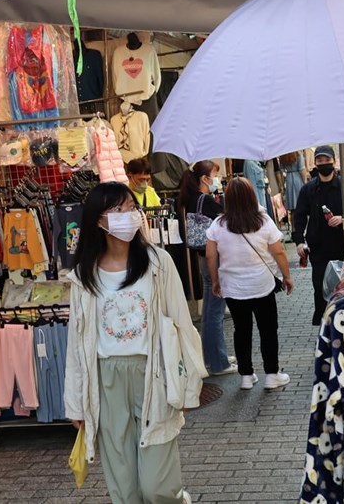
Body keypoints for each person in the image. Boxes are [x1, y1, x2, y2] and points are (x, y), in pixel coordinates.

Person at [65, 182, 205, 504]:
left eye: (131, 207)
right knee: (124, 490)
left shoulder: (158, 263)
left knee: (156, 487)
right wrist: (76, 404)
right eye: (118, 209)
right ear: (98, 220)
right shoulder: (85, 276)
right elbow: (77, 343)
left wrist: (188, 384)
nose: (129, 215)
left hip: (152, 373)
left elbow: (182, 325)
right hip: (107, 379)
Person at [205, 178, 294, 390]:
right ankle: (272, 374)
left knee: (241, 330)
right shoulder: (263, 221)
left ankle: (246, 375)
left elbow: (210, 256)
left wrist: (215, 280)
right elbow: (279, 251)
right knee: (268, 330)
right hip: (262, 284)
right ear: (252, 196)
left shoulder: (218, 225)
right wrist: (286, 276)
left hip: (233, 287)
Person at [293, 145, 344, 326]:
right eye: (320, 161)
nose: (324, 164)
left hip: (342, 246)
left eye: (327, 160)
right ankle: (325, 325)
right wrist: (299, 242)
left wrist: (343, 218)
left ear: (334, 162)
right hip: (318, 247)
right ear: (315, 163)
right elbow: (299, 216)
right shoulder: (308, 189)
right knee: (320, 287)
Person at [177, 160, 237, 376]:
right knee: (215, 312)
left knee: (211, 310)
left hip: (203, 257)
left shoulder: (191, 198)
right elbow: (227, 224)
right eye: (214, 175)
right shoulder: (207, 200)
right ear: (205, 178)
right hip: (214, 258)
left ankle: (213, 357)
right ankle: (218, 362)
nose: (216, 180)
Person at [279, 151, 307, 233]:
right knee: (300, 205)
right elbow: (302, 170)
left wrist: (282, 185)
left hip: (289, 180)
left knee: (292, 209)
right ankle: (301, 229)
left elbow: (281, 170)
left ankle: (293, 229)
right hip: (297, 178)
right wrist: (305, 182)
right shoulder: (298, 155)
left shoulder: (283, 155)